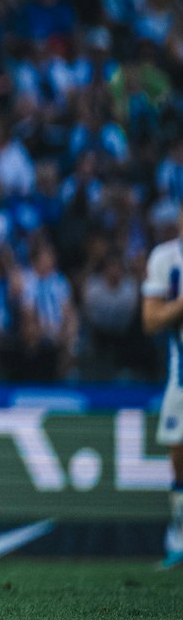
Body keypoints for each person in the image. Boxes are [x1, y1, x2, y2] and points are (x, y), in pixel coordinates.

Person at [141, 216, 183, 570]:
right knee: (179, 460)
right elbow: (150, 320)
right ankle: (179, 541)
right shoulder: (166, 259)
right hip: (180, 378)